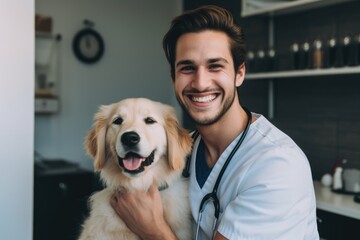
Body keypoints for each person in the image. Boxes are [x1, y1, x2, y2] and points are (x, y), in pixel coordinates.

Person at [111, 5, 319, 240]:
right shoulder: (184, 149)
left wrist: (152, 229)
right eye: (187, 68)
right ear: (174, 78)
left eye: (215, 66)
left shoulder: (277, 165)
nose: (200, 83)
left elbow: (147, 220)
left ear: (240, 73)